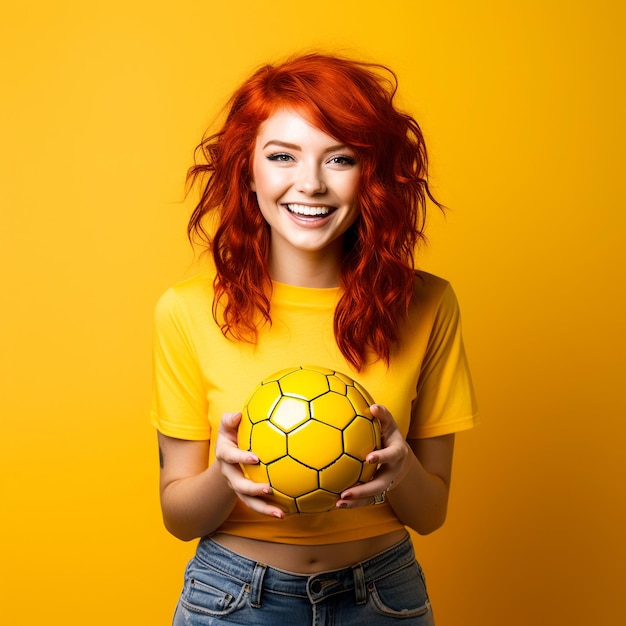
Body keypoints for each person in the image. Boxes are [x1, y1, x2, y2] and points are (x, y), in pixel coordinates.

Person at [151, 52, 479, 625]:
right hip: (232, 600)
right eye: (282, 156)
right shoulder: (188, 310)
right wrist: (223, 477)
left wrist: (400, 471)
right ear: (247, 171)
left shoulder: (429, 304)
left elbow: (431, 514)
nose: (311, 184)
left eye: (340, 158)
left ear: (370, 174)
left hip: (383, 597)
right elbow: (179, 517)